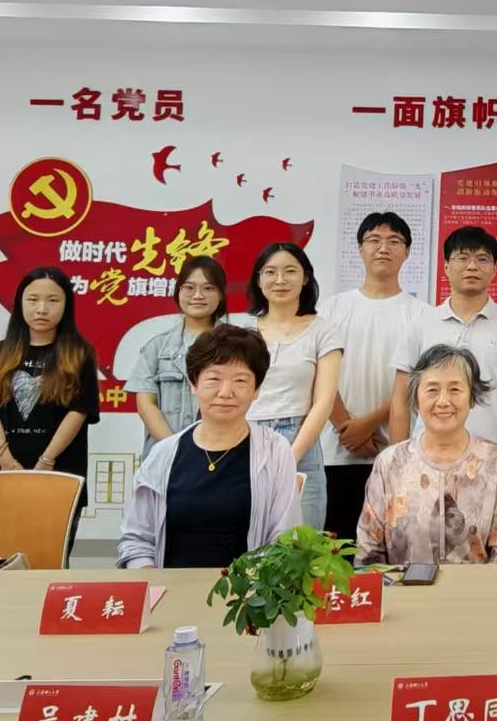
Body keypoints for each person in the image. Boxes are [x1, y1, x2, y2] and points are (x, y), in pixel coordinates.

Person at [118, 324, 301, 569]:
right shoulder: (163, 454)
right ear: (194, 384)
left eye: (240, 381)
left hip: (248, 590)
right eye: (214, 379)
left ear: (256, 389)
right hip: (170, 589)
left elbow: (284, 540)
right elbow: (136, 541)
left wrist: (253, 588)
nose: (225, 392)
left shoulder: (275, 451)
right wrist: (152, 580)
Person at [0, 265, 100, 560]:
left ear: (66, 306)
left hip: (60, 474)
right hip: (2, 475)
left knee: (49, 559)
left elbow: (78, 412)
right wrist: (7, 462)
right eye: (33, 299)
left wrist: (46, 462)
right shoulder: (0, 353)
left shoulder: (79, 354)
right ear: (20, 303)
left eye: (53, 300)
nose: (42, 309)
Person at [359, 344, 497, 564]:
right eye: (432, 390)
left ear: (471, 398)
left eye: (455, 389)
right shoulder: (390, 463)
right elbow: (368, 551)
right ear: (416, 400)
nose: (443, 401)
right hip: (403, 585)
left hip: (477, 586)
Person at [317, 212, 423, 539]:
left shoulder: (423, 315)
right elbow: (317, 375)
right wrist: (346, 427)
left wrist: (367, 424)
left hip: (398, 453)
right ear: (360, 249)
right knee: (335, 551)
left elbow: (420, 385)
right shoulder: (331, 309)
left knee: (391, 548)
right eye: (374, 240)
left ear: (407, 251)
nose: (383, 248)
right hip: (335, 452)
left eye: (394, 241)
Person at [389, 226, 497, 451]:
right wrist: (397, 459)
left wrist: (492, 411)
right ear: (446, 267)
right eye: (462, 258)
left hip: (491, 454)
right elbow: (401, 399)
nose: (472, 266)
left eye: (482, 259)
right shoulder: (421, 324)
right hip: (429, 455)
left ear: (494, 270)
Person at [245, 242, 341, 531]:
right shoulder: (242, 331)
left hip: (302, 441)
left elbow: (324, 401)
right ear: (258, 280)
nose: (280, 280)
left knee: (301, 545)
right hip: (248, 439)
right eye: (270, 272)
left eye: (290, 271)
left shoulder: (323, 330)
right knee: (248, 543)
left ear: (305, 278)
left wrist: (290, 457)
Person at [125, 255, 230, 458]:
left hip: (221, 453)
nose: (197, 295)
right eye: (189, 287)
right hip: (164, 455)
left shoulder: (237, 345)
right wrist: (177, 449)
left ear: (221, 294)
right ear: (178, 291)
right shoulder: (157, 347)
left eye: (208, 288)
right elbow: (146, 405)